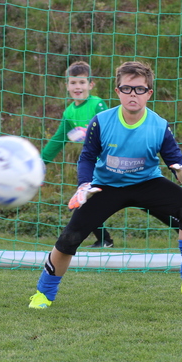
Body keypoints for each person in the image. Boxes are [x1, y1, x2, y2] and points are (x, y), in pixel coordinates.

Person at [28, 61, 182, 309]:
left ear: (149, 93)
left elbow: (175, 160)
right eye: (126, 89)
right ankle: (44, 293)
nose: (132, 94)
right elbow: (87, 157)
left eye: (139, 89)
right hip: (106, 186)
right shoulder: (101, 121)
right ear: (117, 91)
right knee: (69, 238)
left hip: (147, 183)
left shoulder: (159, 125)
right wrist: (84, 185)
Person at [41, 61, 114, 248]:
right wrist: (40, 163)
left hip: (110, 162)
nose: (77, 87)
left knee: (135, 196)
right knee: (85, 200)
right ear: (67, 86)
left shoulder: (97, 104)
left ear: (91, 84)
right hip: (90, 166)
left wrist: (89, 131)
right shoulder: (69, 112)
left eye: (82, 82)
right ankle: (104, 240)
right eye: (73, 83)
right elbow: (58, 139)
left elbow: (110, 128)